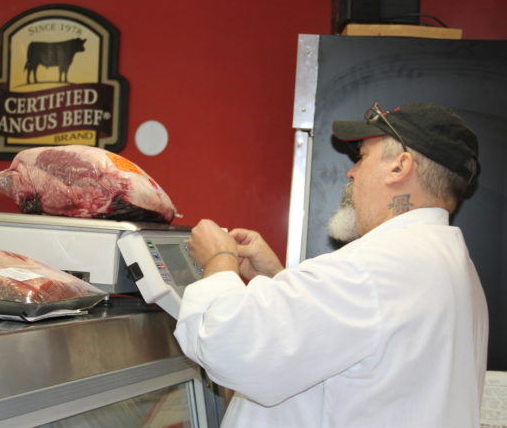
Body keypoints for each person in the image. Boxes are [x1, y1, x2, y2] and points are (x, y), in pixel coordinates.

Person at [174, 102, 489, 427]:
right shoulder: (447, 263)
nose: (351, 172)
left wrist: (218, 262)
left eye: (363, 157)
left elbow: (230, 348)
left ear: (399, 167)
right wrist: (278, 277)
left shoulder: (374, 266)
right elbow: (355, 340)